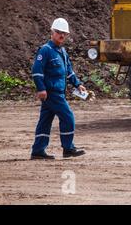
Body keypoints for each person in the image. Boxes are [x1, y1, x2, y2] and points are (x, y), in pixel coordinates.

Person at [30, 18, 86, 160]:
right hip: (52, 93)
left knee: (45, 121)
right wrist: (41, 89)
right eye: (59, 32)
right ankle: (68, 148)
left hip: (56, 93)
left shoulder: (62, 51)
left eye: (64, 33)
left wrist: (77, 84)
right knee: (68, 117)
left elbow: (69, 71)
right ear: (52, 32)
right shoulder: (46, 50)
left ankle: (37, 151)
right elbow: (36, 70)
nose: (61, 35)